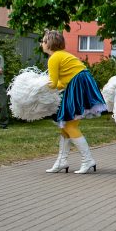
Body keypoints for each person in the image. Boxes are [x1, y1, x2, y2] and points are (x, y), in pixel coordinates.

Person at [41, 30, 107, 174]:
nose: (42, 44)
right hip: (80, 83)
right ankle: (62, 161)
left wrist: (38, 87)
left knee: (70, 126)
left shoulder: (53, 58)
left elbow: (52, 83)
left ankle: (88, 160)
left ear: (49, 44)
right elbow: (61, 83)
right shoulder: (64, 55)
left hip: (77, 85)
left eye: (43, 41)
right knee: (65, 125)